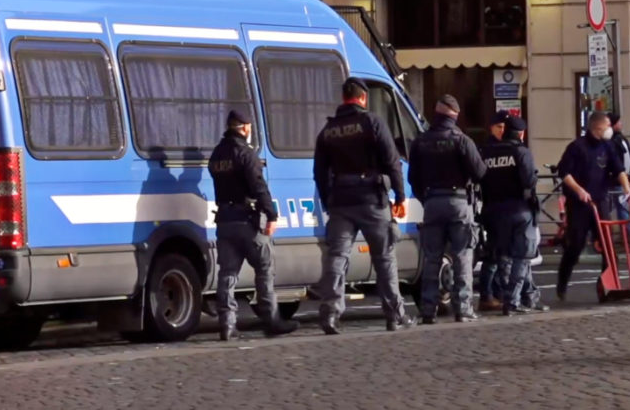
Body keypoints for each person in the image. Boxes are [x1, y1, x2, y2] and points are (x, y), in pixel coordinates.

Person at [313, 77, 414, 334]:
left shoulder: (328, 130)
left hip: (341, 202)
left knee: (336, 257)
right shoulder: (372, 122)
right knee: (384, 258)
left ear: (344, 97)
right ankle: (394, 316)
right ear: (363, 98)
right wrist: (400, 197)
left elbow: (320, 173)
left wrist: (329, 202)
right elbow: (392, 161)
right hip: (372, 199)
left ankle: (330, 315)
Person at [208, 109, 298, 341]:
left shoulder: (217, 155)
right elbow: (258, 186)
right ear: (245, 127)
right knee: (265, 267)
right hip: (247, 220)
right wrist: (272, 214)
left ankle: (227, 325)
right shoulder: (246, 154)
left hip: (225, 220)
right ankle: (272, 321)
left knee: (227, 274)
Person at [408, 95, 487, 324]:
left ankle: (428, 311)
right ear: (455, 115)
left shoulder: (421, 142)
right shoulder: (462, 140)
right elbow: (480, 172)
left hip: (432, 202)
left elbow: (413, 178)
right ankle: (462, 309)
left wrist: (427, 197)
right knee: (462, 256)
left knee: (432, 258)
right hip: (459, 202)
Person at [555, 111, 630, 300]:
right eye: (607, 126)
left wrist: (627, 189)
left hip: (601, 200)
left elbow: (619, 170)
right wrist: (579, 190)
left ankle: (607, 285)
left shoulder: (608, 146)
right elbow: (564, 172)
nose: (610, 129)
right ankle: (562, 283)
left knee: (608, 246)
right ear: (598, 127)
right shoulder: (576, 147)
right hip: (580, 204)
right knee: (576, 246)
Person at [480, 116, 547, 315]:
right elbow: (529, 181)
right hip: (520, 210)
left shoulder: (488, 153)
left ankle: (507, 297)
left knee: (503, 257)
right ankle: (513, 301)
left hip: (494, 211)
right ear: (521, 133)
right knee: (522, 256)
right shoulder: (521, 152)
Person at [477, 110, 511, 312]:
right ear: (492, 127)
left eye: (505, 128)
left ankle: (496, 293)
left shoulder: (509, 147)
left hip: (503, 207)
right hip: (491, 207)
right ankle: (488, 294)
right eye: (499, 127)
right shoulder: (485, 149)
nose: (502, 131)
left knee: (501, 254)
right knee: (494, 254)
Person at [607, 113, 630, 238]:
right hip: (616, 180)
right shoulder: (612, 141)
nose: (621, 124)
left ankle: (628, 235)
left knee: (623, 207)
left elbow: (628, 158)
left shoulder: (621, 139)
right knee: (621, 208)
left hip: (623, 179)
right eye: (618, 122)